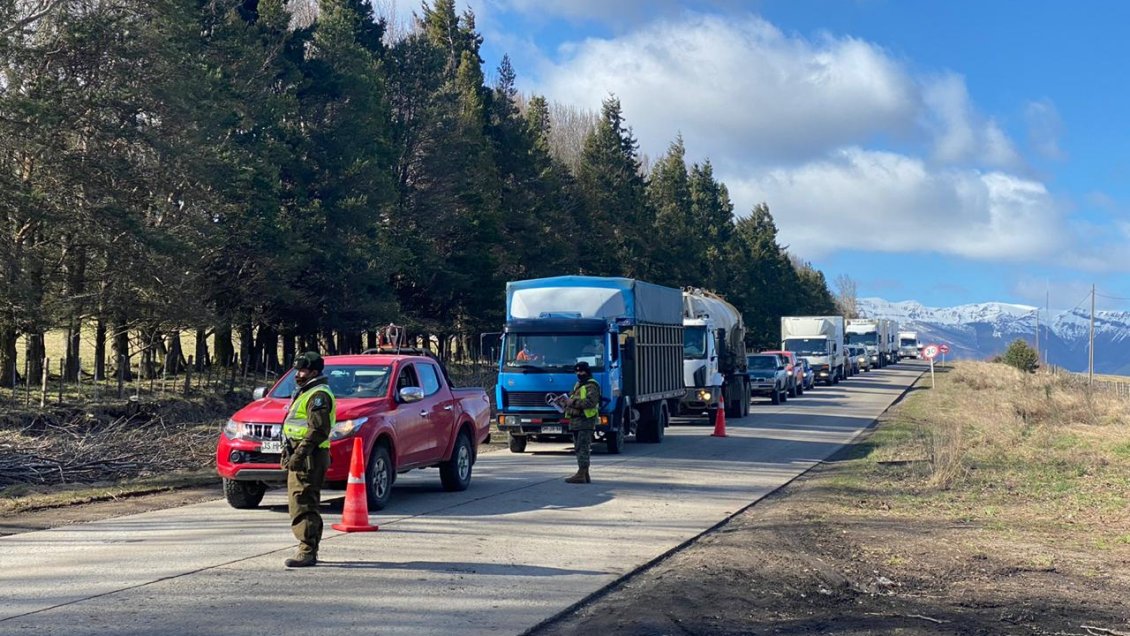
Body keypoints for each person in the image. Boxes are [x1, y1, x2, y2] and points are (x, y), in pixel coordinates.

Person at [280, 351, 335, 567]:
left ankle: (307, 550)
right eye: (297, 370)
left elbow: (318, 430)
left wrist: (300, 454)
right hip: (302, 453)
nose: (298, 374)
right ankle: (308, 546)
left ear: (314, 371)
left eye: (302, 370)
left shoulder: (318, 395)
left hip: (309, 456)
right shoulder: (307, 392)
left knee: (303, 502)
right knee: (301, 500)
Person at [563, 361, 600, 484]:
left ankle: (581, 473)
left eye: (581, 371)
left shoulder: (591, 386)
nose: (579, 374)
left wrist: (572, 402)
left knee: (583, 447)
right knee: (578, 447)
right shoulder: (578, 385)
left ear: (587, 371)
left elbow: (590, 402)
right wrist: (563, 401)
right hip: (576, 421)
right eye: (577, 371)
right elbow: (573, 398)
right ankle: (585, 474)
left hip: (585, 421)